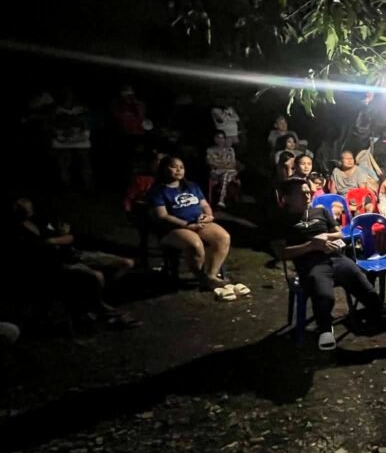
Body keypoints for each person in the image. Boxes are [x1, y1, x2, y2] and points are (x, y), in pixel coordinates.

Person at [270, 177, 386, 353]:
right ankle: (325, 329)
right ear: (287, 198)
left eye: (308, 192)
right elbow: (281, 253)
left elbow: (340, 234)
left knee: (368, 293)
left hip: (337, 259)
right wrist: (311, 245)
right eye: (301, 194)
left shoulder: (320, 212)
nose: (308, 196)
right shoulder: (280, 220)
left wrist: (327, 238)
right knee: (325, 296)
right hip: (312, 265)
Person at [12, 197, 139, 328]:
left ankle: (102, 301)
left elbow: (70, 236)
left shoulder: (39, 221)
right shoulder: (19, 232)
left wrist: (52, 241)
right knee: (97, 276)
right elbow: (40, 252)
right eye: (24, 209)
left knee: (126, 263)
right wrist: (56, 241)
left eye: (29, 208)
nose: (29, 211)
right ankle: (101, 309)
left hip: (76, 253)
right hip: (60, 263)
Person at [149, 156, 232, 290]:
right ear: (164, 169)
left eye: (181, 167)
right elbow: (162, 216)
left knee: (223, 237)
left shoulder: (192, 186)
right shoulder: (158, 191)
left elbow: (204, 205)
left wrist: (209, 216)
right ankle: (202, 278)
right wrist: (187, 225)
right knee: (195, 245)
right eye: (174, 166)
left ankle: (211, 275)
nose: (178, 170)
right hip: (175, 227)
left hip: (198, 222)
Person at [51, 88, 93, 191]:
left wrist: (81, 124)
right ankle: (65, 186)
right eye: (65, 96)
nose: (68, 98)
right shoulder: (56, 109)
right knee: (64, 163)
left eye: (70, 95)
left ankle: (88, 185)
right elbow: (51, 124)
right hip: (62, 140)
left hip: (80, 139)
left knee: (84, 162)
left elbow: (88, 121)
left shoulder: (82, 107)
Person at [206, 131, 241, 208]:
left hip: (231, 171)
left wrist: (221, 164)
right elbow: (211, 163)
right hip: (217, 172)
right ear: (214, 139)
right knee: (225, 175)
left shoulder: (230, 150)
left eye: (222, 138)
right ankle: (222, 199)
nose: (220, 140)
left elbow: (233, 163)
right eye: (218, 137)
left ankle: (221, 199)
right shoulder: (210, 150)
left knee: (225, 175)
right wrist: (225, 165)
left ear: (225, 139)